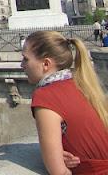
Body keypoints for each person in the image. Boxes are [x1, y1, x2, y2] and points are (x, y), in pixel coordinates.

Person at [21, 31, 108, 174]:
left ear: (46, 64)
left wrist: (52, 156)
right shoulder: (81, 83)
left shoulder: (45, 97)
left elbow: (59, 171)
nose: (21, 65)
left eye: (25, 59)